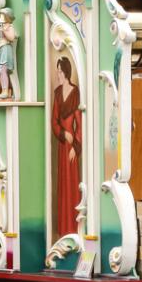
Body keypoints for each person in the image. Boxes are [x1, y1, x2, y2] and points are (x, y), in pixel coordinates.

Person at [51, 56, 81, 239]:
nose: (58, 75)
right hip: (62, 144)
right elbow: (54, 121)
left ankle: (73, 228)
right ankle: (63, 229)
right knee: (62, 184)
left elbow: (81, 122)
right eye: (57, 72)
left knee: (72, 184)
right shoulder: (56, 93)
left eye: (60, 72)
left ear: (66, 72)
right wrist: (63, 134)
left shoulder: (76, 93)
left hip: (71, 148)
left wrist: (75, 146)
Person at [0, 9, 18, 100]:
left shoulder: (9, 27)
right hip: (0, 49)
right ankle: (3, 90)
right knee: (0, 71)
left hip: (6, 48)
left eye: (2, 15)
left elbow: (11, 37)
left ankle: (6, 91)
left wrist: (4, 31)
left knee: (3, 69)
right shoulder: (0, 27)